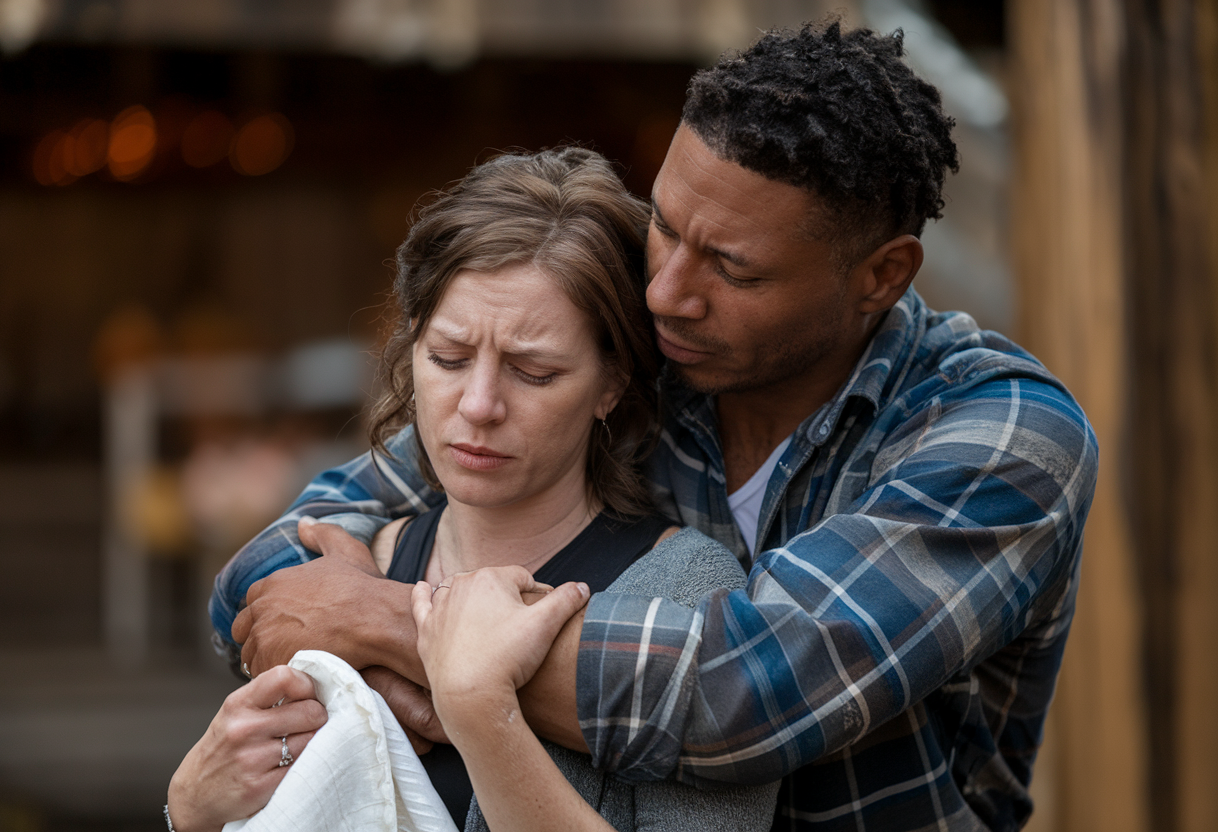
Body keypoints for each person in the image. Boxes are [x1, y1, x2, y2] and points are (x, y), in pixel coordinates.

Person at [215, 22, 1098, 832]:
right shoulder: (639, 358)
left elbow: (744, 692)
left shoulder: (1002, 435)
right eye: (666, 229)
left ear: (881, 276)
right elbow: (272, 577)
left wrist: (394, 630)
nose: (668, 291)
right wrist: (350, 643)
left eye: (731, 268)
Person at [169, 147, 780, 831]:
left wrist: (479, 707)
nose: (479, 404)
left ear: (611, 384)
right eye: (449, 358)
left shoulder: (683, 591)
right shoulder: (345, 569)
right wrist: (191, 807)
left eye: (535, 372)